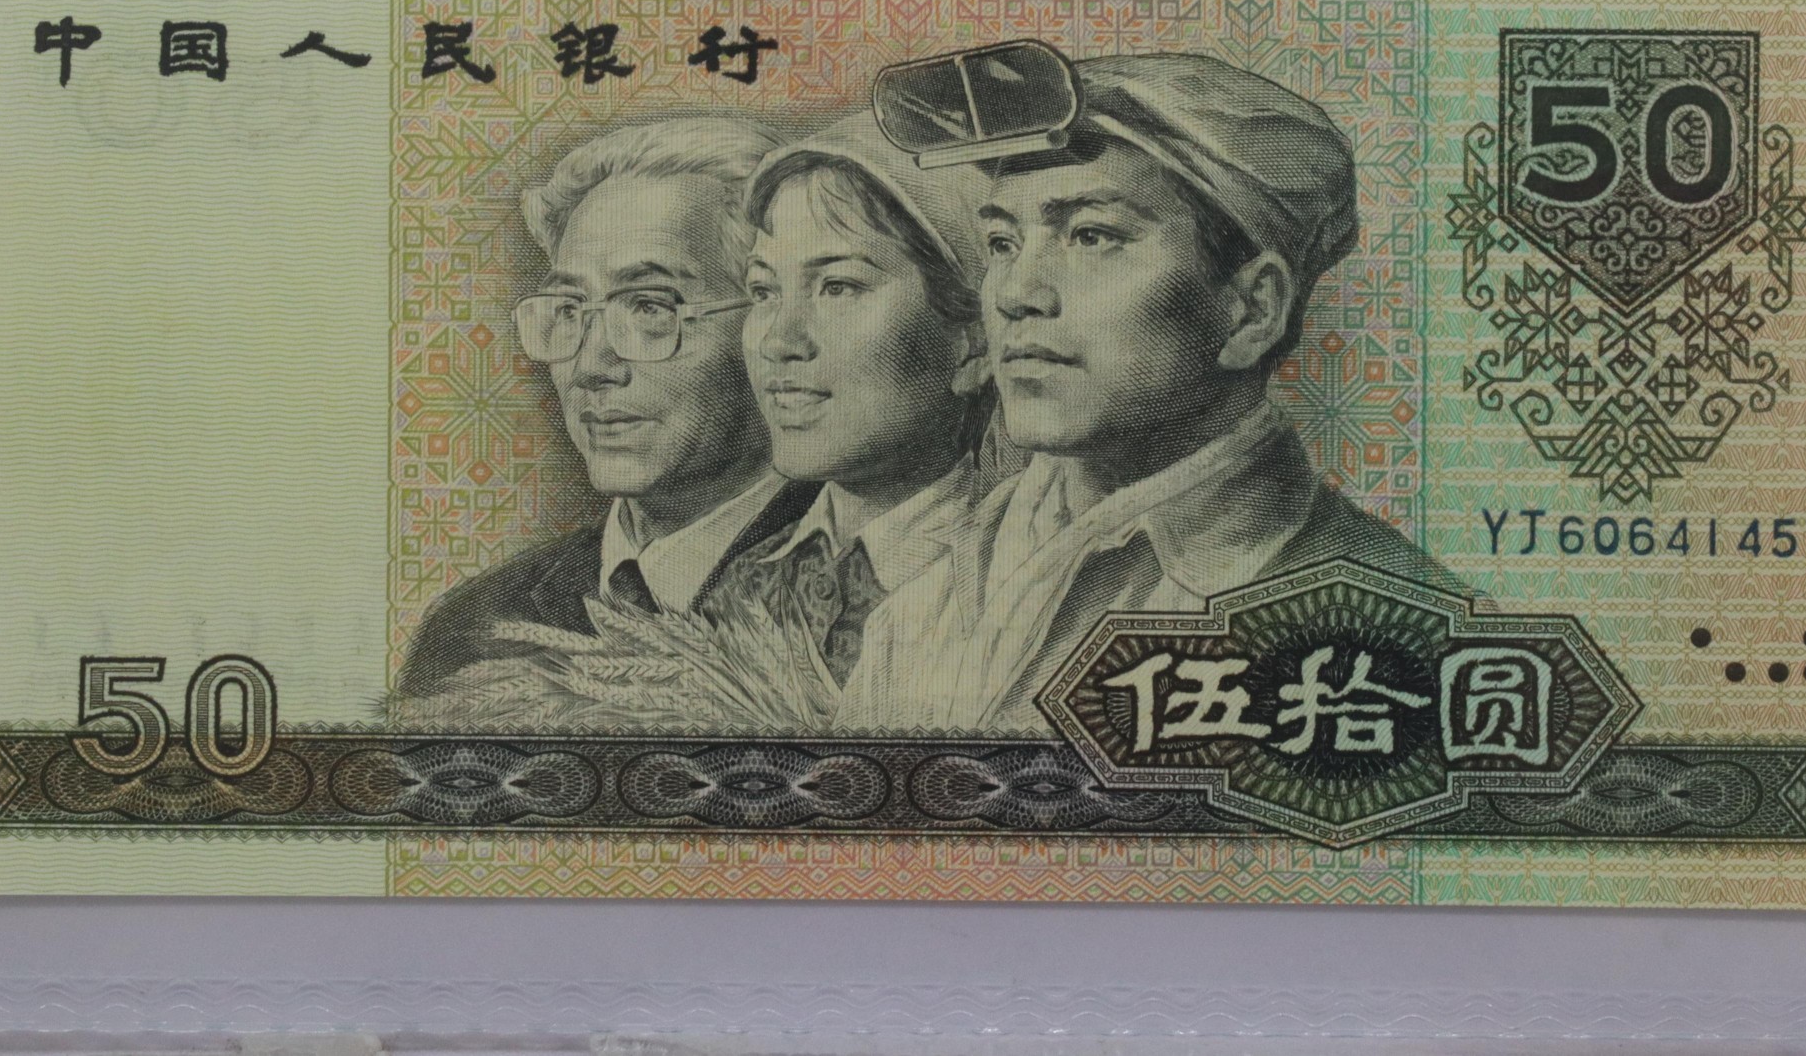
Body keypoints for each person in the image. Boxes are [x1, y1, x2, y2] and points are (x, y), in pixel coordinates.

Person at [857, 51, 1465, 734]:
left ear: (1251, 310)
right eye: (1002, 242)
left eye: (1090, 235)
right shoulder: (928, 600)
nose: (1016, 293)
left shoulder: (1397, 629)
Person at [394, 116, 811, 700]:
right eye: (568, 309)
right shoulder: (474, 627)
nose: (591, 365)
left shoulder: (872, 597)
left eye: (649, 307)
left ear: (770, 322)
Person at [718, 113, 998, 692]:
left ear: (972, 343)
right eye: (763, 290)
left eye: (838, 286)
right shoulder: (740, 586)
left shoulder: (1015, 584)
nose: (778, 342)